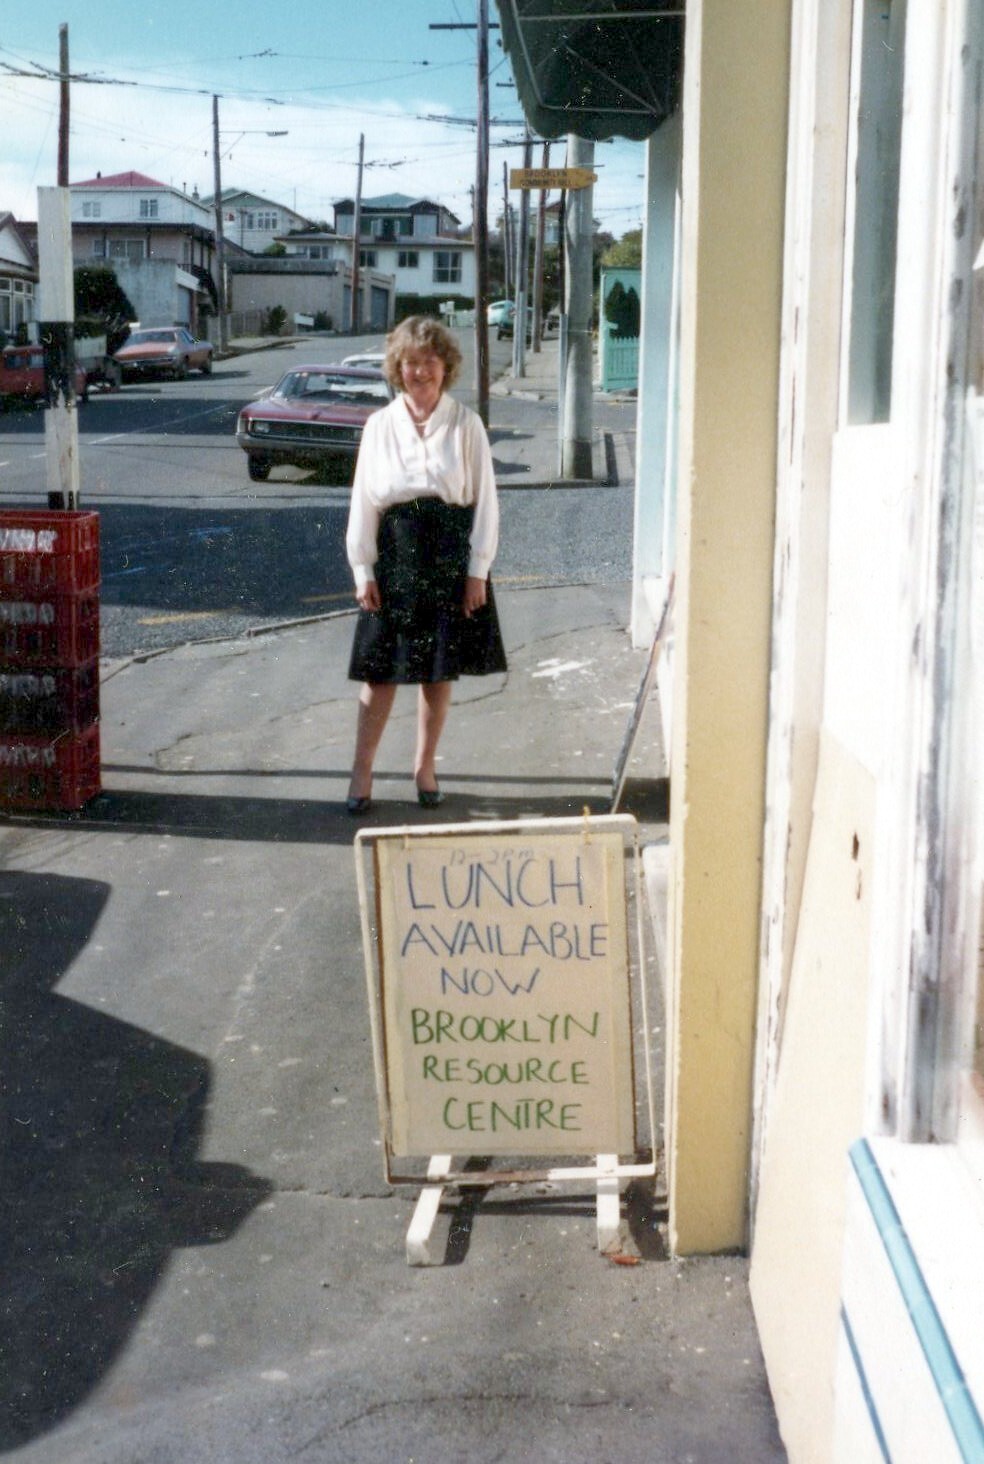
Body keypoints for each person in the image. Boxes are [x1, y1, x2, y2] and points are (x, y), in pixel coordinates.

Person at [344, 316, 507, 814]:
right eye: (411, 362)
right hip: (396, 557)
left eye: (429, 361)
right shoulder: (379, 426)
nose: (420, 372)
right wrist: (363, 570)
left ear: (445, 366)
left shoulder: (466, 423)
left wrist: (478, 571)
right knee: (380, 674)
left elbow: (486, 502)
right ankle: (362, 771)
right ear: (398, 368)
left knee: (437, 673)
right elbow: (364, 502)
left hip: (448, 558)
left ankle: (425, 767)